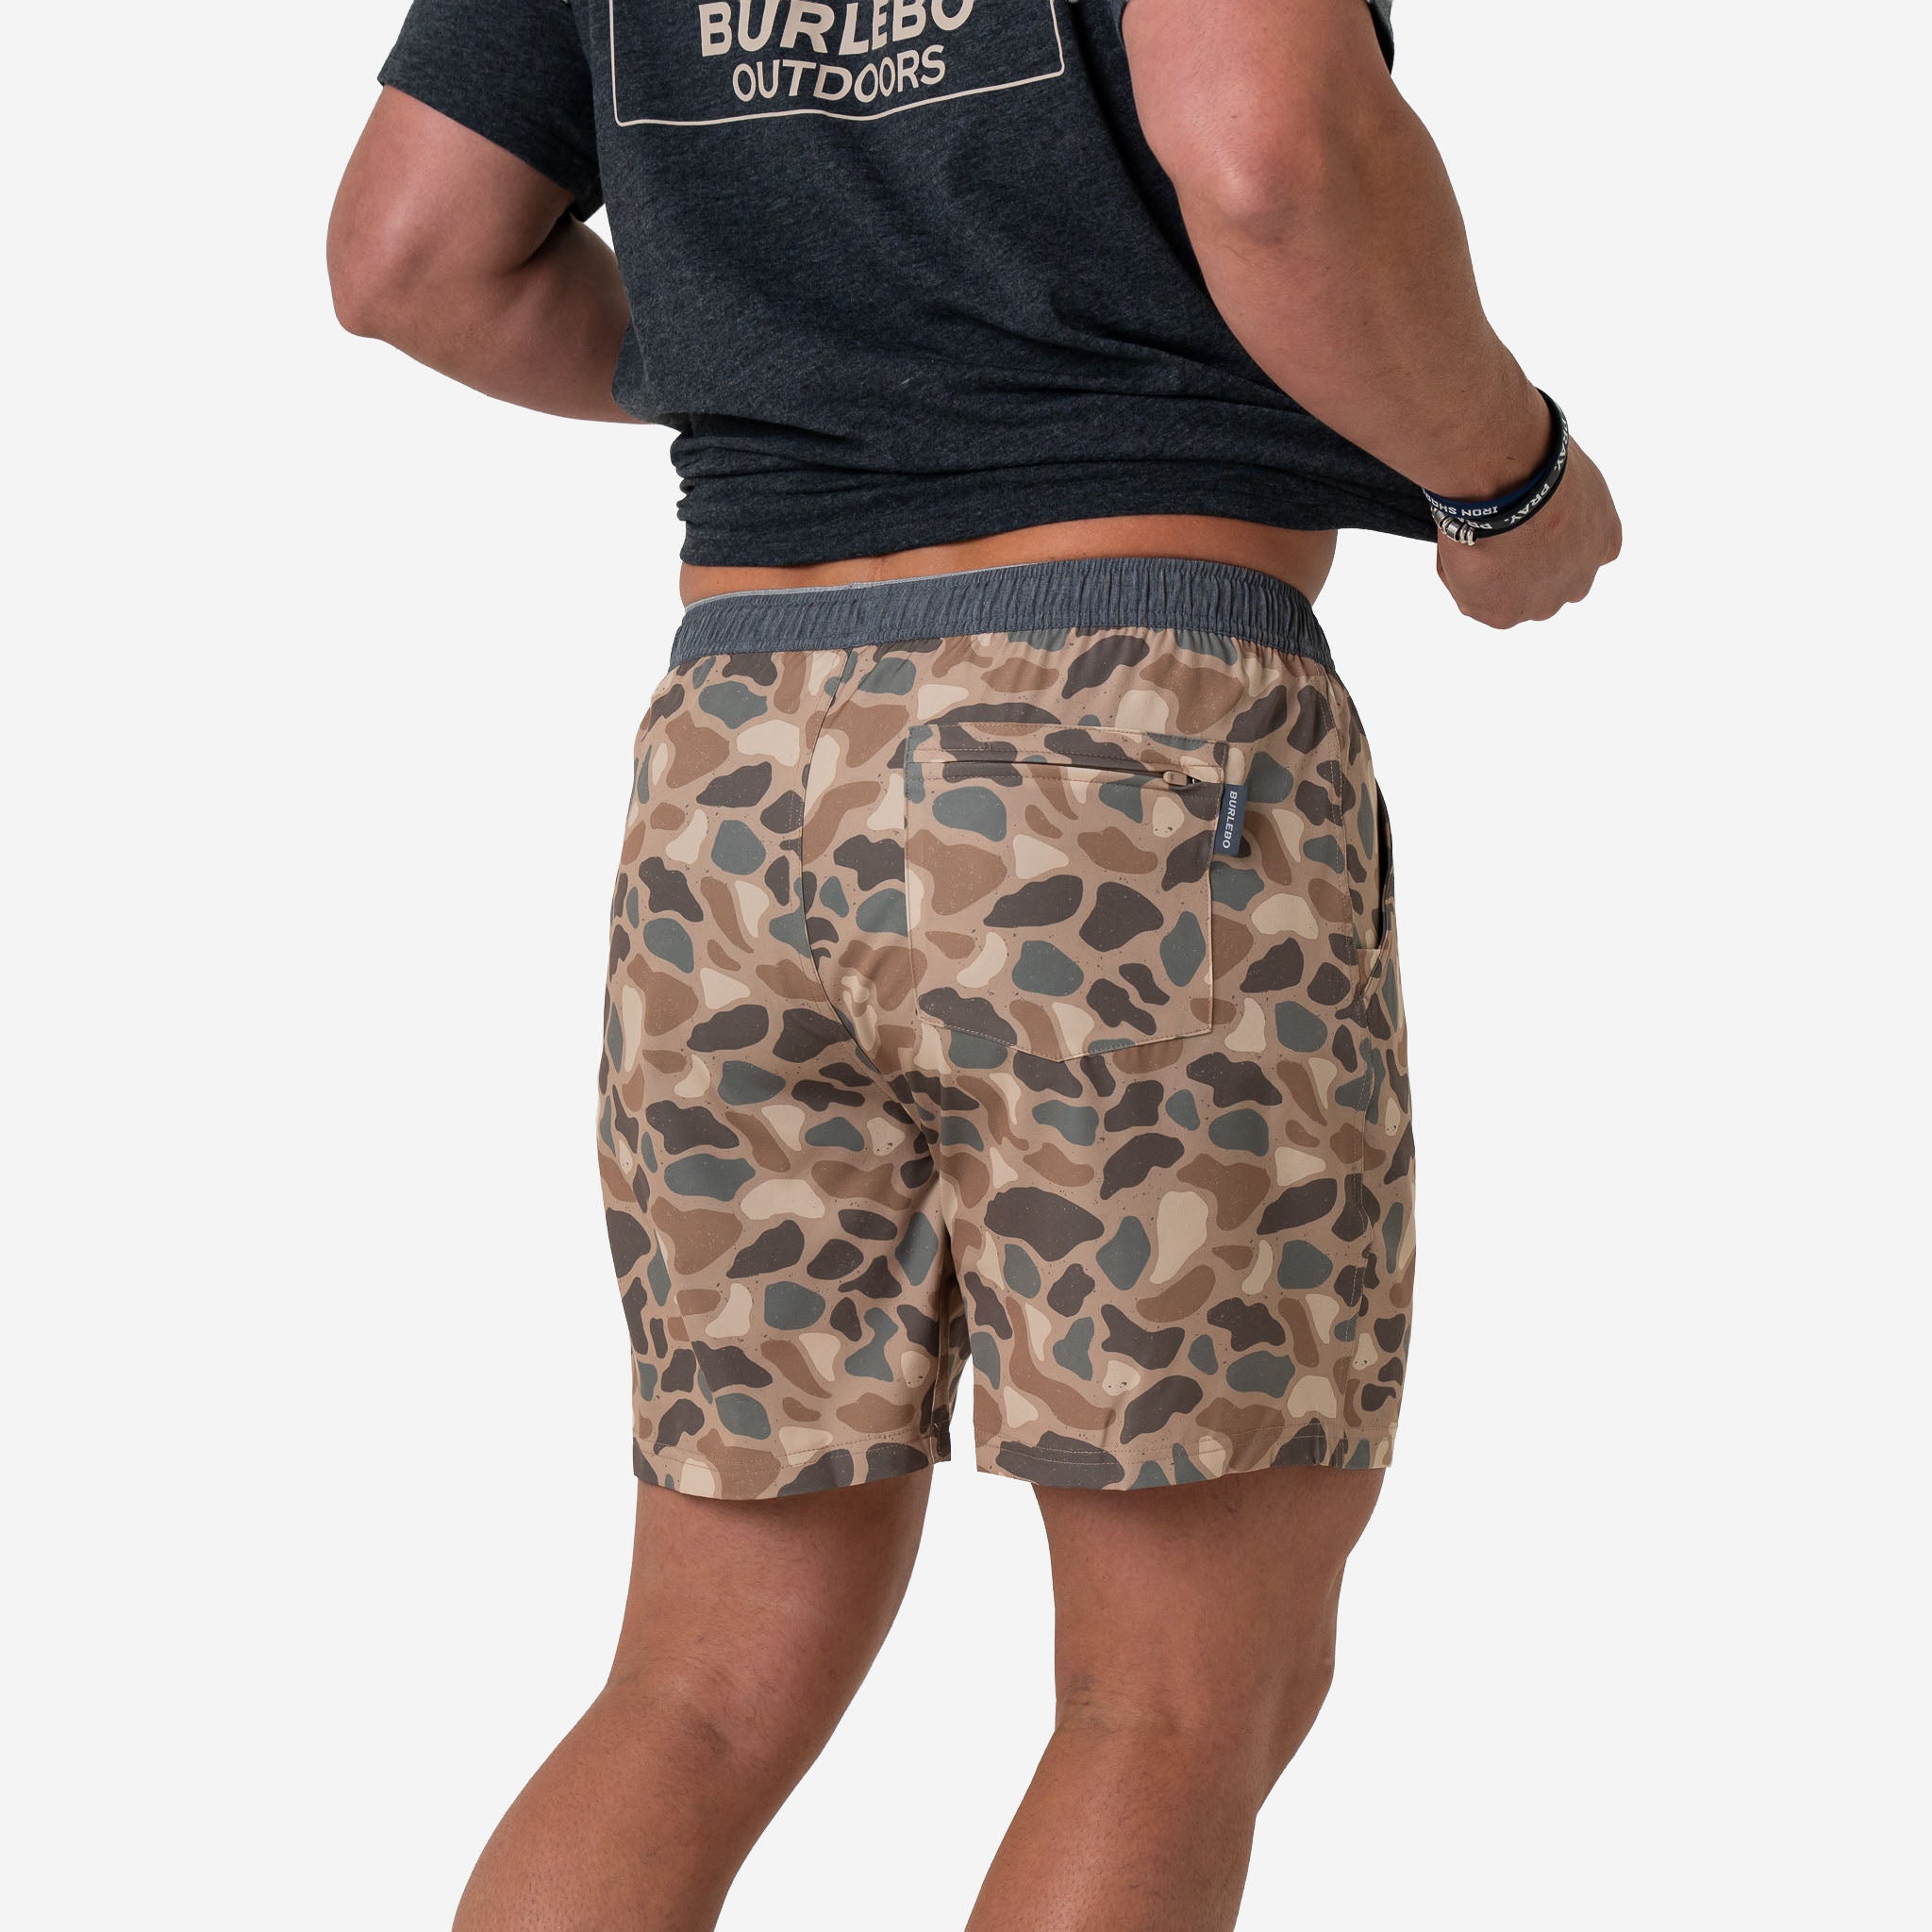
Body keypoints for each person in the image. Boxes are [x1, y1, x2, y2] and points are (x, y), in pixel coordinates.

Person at [327, 0, 1619, 1924]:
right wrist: (1505, 480)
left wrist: (804, 360)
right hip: (1113, 741)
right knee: (1173, 1701)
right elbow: (1267, 152)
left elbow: (410, 250)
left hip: (738, 764)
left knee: (695, 1691)